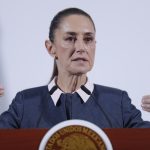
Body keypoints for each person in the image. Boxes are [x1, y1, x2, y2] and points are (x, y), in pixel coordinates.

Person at [0, 8, 150, 128]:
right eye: (70, 38)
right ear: (51, 48)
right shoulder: (26, 103)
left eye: (88, 39)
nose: (81, 47)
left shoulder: (117, 103)